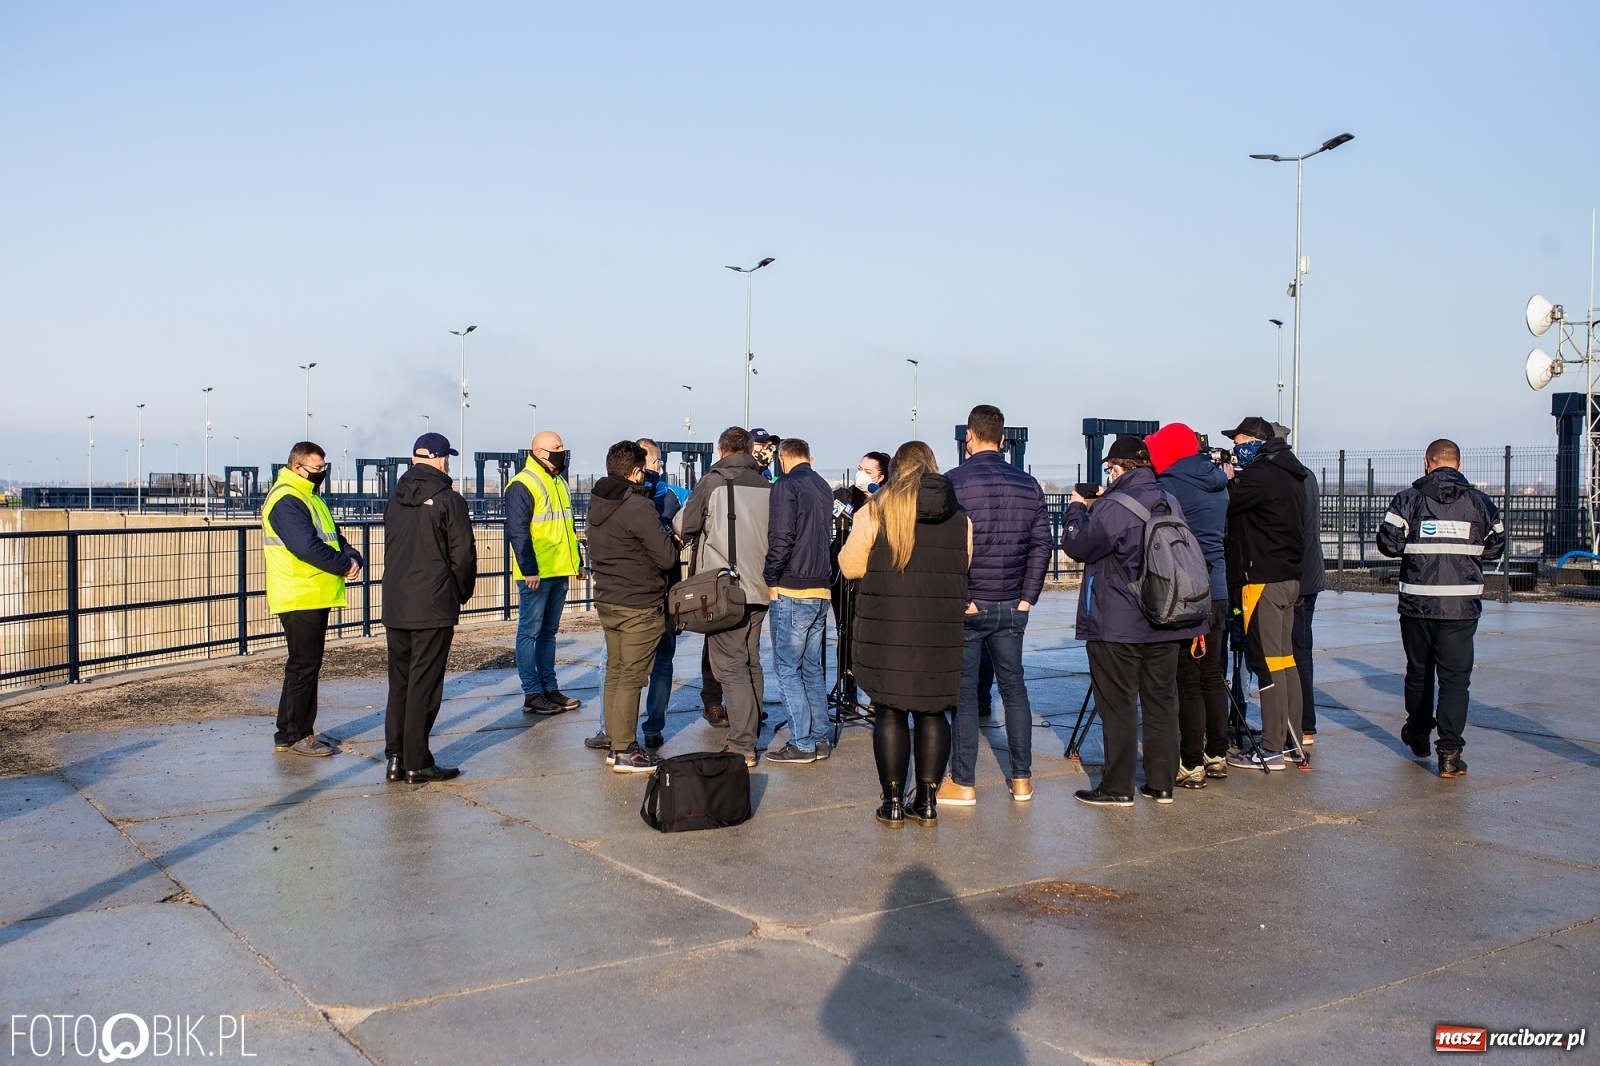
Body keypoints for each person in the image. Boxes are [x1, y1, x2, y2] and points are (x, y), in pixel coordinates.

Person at [1063, 436, 1206, 806]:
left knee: (1119, 704)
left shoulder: (1113, 506)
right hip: (1167, 616)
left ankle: (1117, 787)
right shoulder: (1168, 499)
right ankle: (1161, 784)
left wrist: (1076, 510)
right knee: (1162, 700)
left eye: (1110, 469)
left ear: (1116, 468)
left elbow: (1078, 546)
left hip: (1119, 623)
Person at [839, 441, 971, 826]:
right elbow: (965, 562)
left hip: (888, 625)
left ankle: (892, 802)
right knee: (934, 713)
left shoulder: (877, 509)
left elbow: (850, 566)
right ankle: (927, 802)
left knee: (890, 710)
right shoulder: (959, 515)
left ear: (896, 468)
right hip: (939, 627)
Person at [942, 404, 1051, 804]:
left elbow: (948, 547)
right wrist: (1027, 598)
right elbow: (1042, 544)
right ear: (1003, 439)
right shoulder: (1029, 484)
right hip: (1011, 604)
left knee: (965, 694)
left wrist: (963, 598)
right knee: (1014, 689)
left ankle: (963, 782)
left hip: (970, 605)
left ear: (969, 436)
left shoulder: (953, 482)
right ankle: (1021, 780)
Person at [1376, 438, 1504, 778]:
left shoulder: (1408, 499)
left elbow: (1388, 543)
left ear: (1426, 462)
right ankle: (1449, 754)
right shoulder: (1480, 502)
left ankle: (1418, 733)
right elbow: (1496, 546)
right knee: (1455, 680)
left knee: (1419, 672)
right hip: (1460, 607)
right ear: (1459, 465)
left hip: (1417, 604)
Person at [674, 427, 772, 767]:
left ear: (720, 450)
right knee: (751, 661)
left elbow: (683, 526)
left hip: (724, 590)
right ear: (749, 450)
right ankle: (751, 729)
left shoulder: (713, 482)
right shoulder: (767, 484)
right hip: (760, 586)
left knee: (729, 665)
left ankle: (743, 744)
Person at [383, 433, 477, 784]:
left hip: (396, 600)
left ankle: (395, 757)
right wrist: (459, 594)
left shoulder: (395, 498)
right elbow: (463, 555)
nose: (447, 463)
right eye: (446, 458)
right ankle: (418, 761)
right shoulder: (449, 500)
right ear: (440, 459)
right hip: (432, 602)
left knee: (401, 683)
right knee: (425, 684)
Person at [262, 441, 363, 758]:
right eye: (317, 469)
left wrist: (352, 556)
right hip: (299, 592)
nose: (321, 473)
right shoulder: (287, 499)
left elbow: (332, 537)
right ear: (297, 467)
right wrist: (343, 565)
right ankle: (298, 735)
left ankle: (288, 732)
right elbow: (305, 546)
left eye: (323, 468)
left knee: (303, 665)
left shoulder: (309, 496)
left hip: (312, 592)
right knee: (303, 666)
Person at [585, 441, 680, 772]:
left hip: (608, 599)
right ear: (637, 471)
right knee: (631, 677)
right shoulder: (637, 506)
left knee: (614, 671)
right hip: (639, 603)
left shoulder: (598, 500)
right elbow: (665, 558)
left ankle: (616, 742)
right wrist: (671, 541)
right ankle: (626, 750)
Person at [1220, 416, 1308, 772]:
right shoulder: (1291, 472)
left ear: (1254, 440)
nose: (1234, 448)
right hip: (1288, 577)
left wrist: (1227, 479)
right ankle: (1291, 740)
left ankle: (1271, 747)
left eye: (1238, 441)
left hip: (1261, 579)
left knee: (1267, 663)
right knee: (1285, 661)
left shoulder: (1260, 475)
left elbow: (1225, 501)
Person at [1148, 422, 1231, 785]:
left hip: (1187, 591)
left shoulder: (1170, 485)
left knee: (1187, 680)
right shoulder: (1218, 483)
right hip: (1218, 588)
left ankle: (1191, 762)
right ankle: (1217, 754)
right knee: (1212, 674)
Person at [763, 438, 836, 764]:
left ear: (782, 459)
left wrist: (771, 577)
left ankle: (802, 743)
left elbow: (781, 536)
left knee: (787, 668)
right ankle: (820, 738)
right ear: (809, 457)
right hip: (820, 587)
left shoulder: (786, 485)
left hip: (793, 588)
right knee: (811, 668)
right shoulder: (822, 486)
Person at [506, 430, 585, 716]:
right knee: (529, 633)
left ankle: (550, 689)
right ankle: (533, 693)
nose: (562, 451)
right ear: (539, 452)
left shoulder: (558, 481)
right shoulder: (523, 483)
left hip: (559, 570)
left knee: (548, 633)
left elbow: (567, 528)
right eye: (557, 447)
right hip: (536, 575)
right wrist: (529, 569)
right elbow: (518, 531)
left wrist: (578, 563)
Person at [1274, 423, 1326, 745]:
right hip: (1310, 572)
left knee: (1288, 650)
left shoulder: (1285, 477)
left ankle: (1297, 722)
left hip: (1293, 574)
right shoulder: (1307, 474)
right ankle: (1305, 724)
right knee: (1301, 648)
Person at [639, 439, 686, 749]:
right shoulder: (669, 495)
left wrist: (682, 534)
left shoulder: (672, 494)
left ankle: (618, 728)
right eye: (656, 463)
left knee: (626, 664)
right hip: (657, 587)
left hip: (652, 589)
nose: (659, 468)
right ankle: (651, 727)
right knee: (660, 661)